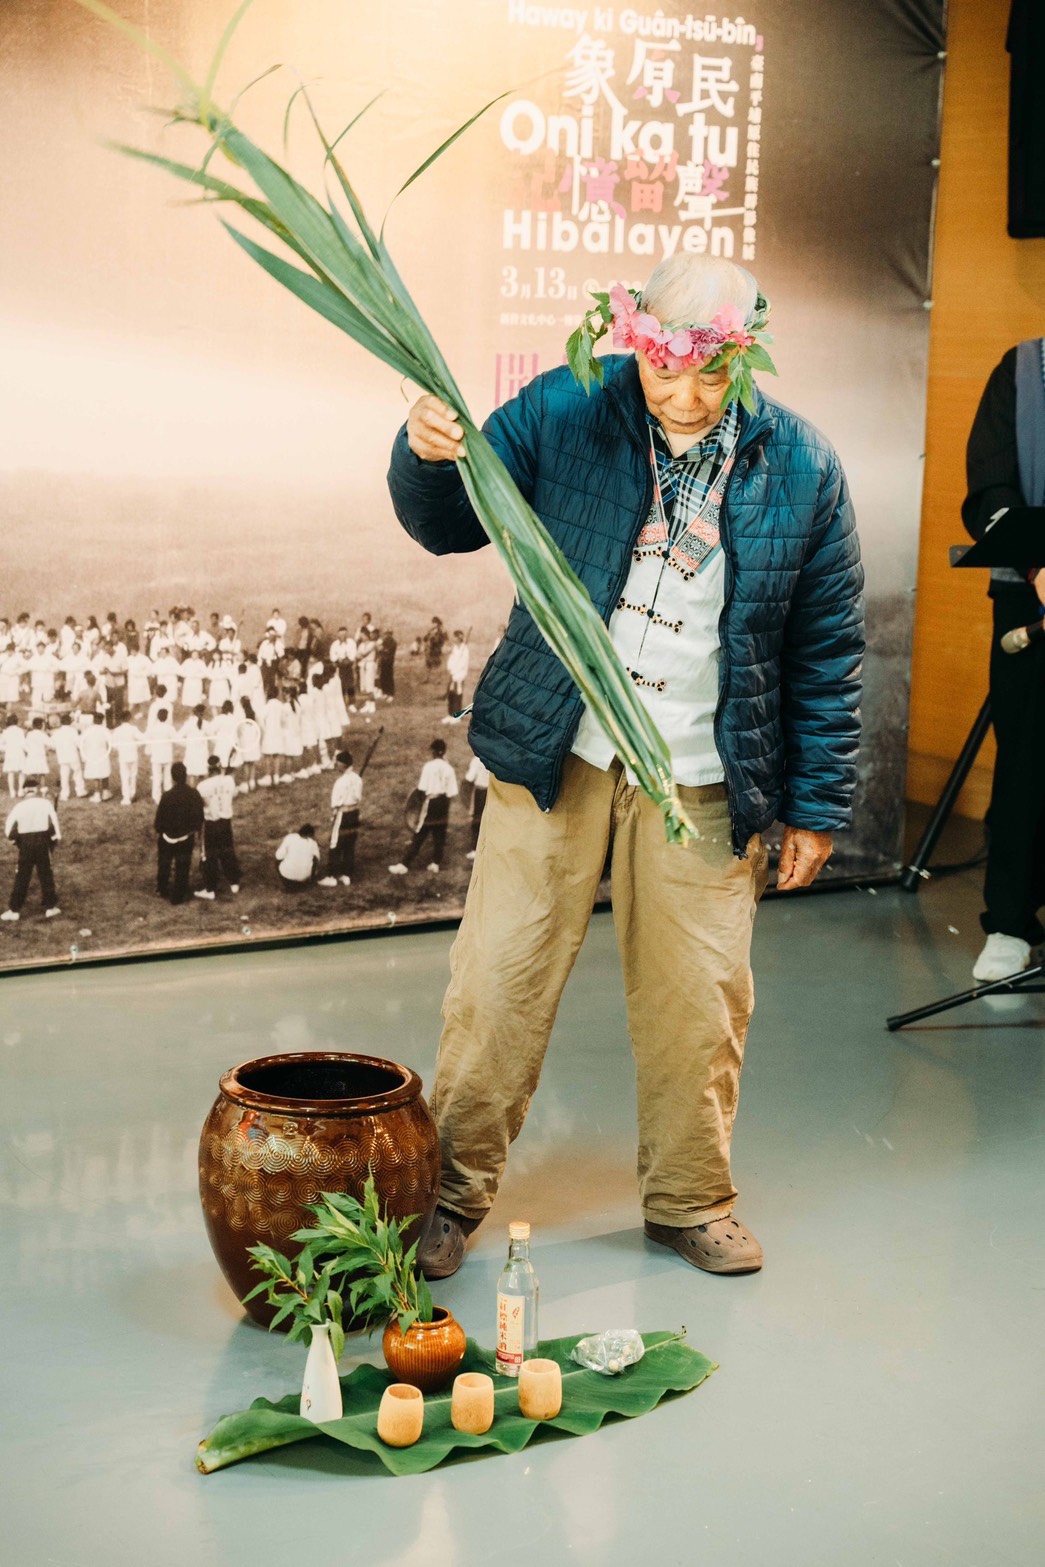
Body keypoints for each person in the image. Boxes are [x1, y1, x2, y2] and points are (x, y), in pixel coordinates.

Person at [387, 253, 863, 1280]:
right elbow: (446, 521)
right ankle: (446, 1197)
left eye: (712, 377)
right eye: (666, 372)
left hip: (700, 774)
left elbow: (827, 646)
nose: (687, 398)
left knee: (700, 995)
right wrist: (425, 456)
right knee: (496, 984)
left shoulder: (803, 468)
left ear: (746, 361)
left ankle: (690, 1198)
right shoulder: (569, 406)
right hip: (557, 750)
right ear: (634, 343)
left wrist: (815, 805)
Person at [963, 338, 1045, 981]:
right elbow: (990, 487)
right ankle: (1012, 922)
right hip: (1032, 596)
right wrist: (1039, 563)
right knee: (1027, 760)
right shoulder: (1022, 369)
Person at [388, 738, 459, 876]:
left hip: (431, 802)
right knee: (440, 834)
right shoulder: (449, 768)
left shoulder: (429, 767)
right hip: (444, 803)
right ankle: (436, 863)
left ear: (433, 752)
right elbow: (452, 792)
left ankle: (404, 864)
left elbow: (421, 789)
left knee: (420, 833)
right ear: (444, 752)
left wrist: (419, 808)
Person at [2, 777, 61, 921]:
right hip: (42, 843)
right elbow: (54, 825)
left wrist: (16, 842)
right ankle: (51, 908)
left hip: (26, 845)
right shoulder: (46, 804)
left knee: (22, 876)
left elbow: (9, 829)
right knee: (46, 874)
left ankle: (14, 910)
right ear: (37, 789)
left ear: (24, 791)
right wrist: (54, 840)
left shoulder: (19, 807)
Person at [153, 760, 203, 905]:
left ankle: (162, 888)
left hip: (167, 837)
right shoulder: (193, 794)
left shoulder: (167, 796)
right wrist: (193, 831)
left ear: (172, 777)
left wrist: (161, 832)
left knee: (164, 864)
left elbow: (159, 820)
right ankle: (178, 895)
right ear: (186, 776)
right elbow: (199, 817)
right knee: (183, 865)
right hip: (185, 837)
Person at [194, 755, 241, 900]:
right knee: (228, 850)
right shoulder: (229, 781)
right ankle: (234, 882)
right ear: (220, 767)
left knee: (210, 855)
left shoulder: (202, 786)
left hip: (210, 823)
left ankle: (210, 888)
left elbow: (199, 805)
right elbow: (233, 794)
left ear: (208, 770)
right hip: (225, 821)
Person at [319, 750, 363, 887]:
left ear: (343, 764)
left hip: (342, 815)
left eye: (337, 762)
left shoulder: (340, 782)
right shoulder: (357, 779)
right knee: (349, 844)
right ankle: (347, 874)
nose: (335, 765)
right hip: (354, 813)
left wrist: (333, 815)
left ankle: (332, 876)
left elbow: (336, 803)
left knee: (335, 843)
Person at [275, 822, 320, 887]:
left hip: (287, 876)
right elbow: (317, 860)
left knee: (277, 861)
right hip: (304, 878)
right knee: (314, 860)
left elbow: (278, 856)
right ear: (310, 834)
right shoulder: (313, 843)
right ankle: (309, 881)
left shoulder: (290, 837)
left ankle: (285, 883)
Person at [463, 753, 490, 859]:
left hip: (481, 792)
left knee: (477, 820)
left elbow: (469, 778)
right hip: (495, 793)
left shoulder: (477, 759)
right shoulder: (497, 755)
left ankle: (475, 850)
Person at [443, 629, 469, 722]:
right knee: (451, 694)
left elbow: (463, 664)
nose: (453, 638)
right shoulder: (454, 648)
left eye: (455, 637)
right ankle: (450, 714)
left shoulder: (464, 649)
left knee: (457, 695)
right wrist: (450, 669)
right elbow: (451, 660)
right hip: (453, 674)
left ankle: (457, 716)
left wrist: (457, 673)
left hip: (459, 675)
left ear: (459, 638)